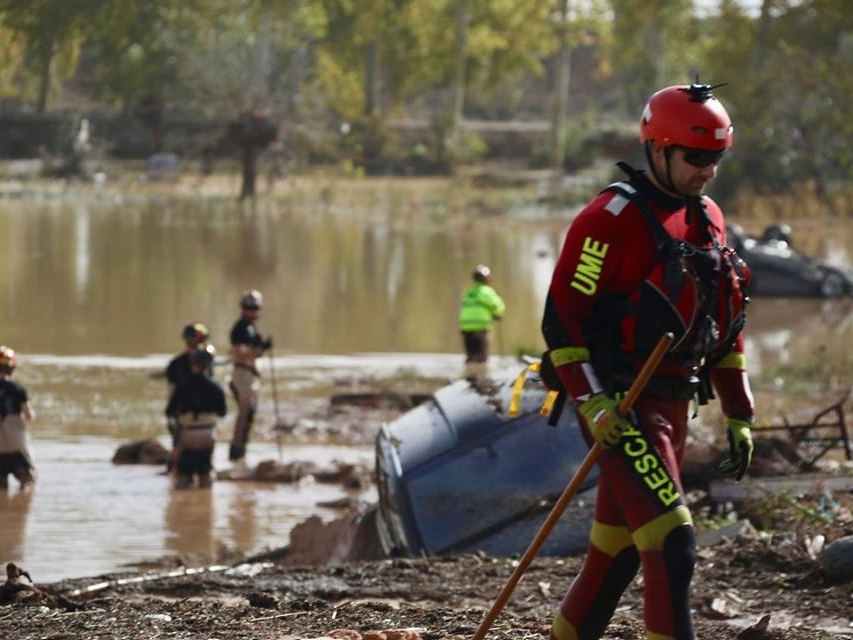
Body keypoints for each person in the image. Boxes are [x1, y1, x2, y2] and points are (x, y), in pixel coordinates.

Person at [540, 82, 755, 640]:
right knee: (672, 543)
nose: (707, 171)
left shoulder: (708, 216)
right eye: (696, 157)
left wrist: (738, 410)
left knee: (616, 555)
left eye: (717, 159)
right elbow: (562, 323)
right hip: (622, 406)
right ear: (657, 149)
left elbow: (722, 319)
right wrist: (594, 403)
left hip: (676, 403)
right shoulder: (608, 219)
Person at [165, 343, 227, 489]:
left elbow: (169, 411)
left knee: (183, 477)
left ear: (193, 363)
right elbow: (222, 412)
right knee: (205, 474)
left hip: (187, 435)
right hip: (208, 435)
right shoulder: (216, 388)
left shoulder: (182, 385)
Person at [228, 289, 272, 465]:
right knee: (244, 415)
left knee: (250, 414)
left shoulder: (251, 329)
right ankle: (237, 454)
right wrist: (260, 349)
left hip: (250, 374)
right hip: (243, 374)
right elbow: (241, 353)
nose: (252, 311)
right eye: (249, 307)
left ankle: (241, 453)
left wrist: (261, 347)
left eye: (254, 308)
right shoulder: (240, 328)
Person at [163, 322, 211, 473]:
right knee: (178, 450)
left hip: (198, 417)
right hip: (183, 415)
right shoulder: (177, 365)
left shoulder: (204, 363)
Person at [458, 264, 506, 375]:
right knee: (481, 358)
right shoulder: (487, 291)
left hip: (466, 328)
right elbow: (498, 305)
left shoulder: (469, 292)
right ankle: (480, 379)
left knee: (471, 357)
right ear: (487, 278)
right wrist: (498, 314)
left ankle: (469, 377)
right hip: (481, 328)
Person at [0, 346, 36, 490]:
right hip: (17, 449)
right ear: (12, 368)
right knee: (28, 484)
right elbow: (29, 416)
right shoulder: (18, 390)